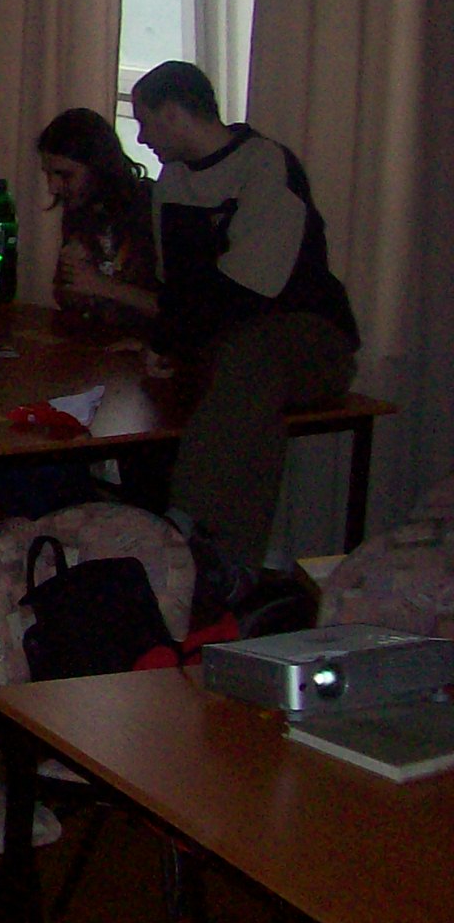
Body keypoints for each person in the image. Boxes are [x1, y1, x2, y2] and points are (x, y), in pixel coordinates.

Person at [131, 60, 359, 572]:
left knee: (248, 364)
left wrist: (171, 337)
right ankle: (221, 557)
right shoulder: (172, 181)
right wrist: (163, 341)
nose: (142, 138)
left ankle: (190, 527)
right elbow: (175, 287)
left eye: (145, 122)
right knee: (225, 385)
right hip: (227, 340)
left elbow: (247, 290)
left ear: (173, 114)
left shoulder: (266, 165)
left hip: (307, 334)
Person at [36, 105, 159, 336]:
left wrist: (101, 285)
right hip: (94, 339)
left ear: (98, 166)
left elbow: (178, 309)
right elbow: (68, 297)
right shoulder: (81, 209)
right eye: (48, 174)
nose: (53, 187)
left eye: (65, 175)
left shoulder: (150, 208)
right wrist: (72, 286)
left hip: (147, 344)